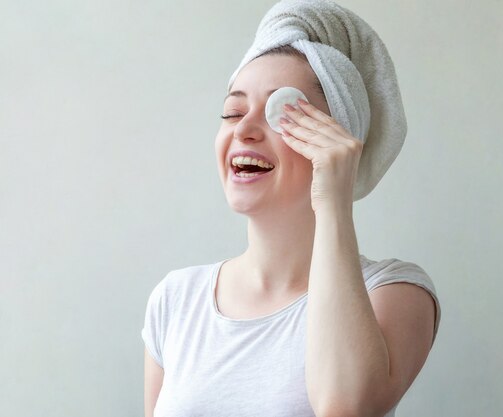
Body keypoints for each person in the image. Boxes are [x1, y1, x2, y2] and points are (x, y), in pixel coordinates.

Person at [142, 1, 441, 416]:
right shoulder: (176, 300)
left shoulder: (394, 292)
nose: (244, 129)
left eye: (279, 114)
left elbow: (345, 407)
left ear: (335, 143)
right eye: (232, 111)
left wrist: (334, 202)